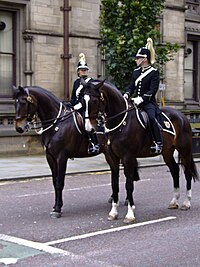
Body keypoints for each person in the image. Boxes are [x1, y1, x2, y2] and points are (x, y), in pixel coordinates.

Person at [124, 38, 163, 154]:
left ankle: (158, 142)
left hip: (148, 103)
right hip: (135, 102)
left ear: (144, 59)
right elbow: (132, 87)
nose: (136, 60)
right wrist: (126, 94)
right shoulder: (136, 72)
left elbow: (153, 90)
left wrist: (142, 98)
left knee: (151, 118)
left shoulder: (154, 72)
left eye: (138, 58)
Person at [70, 53, 100, 154]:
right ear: (78, 71)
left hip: (86, 107)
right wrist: (71, 105)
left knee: (85, 122)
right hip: (75, 107)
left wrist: (80, 105)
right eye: (82, 70)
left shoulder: (90, 82)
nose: (83, 71)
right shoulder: (76, 83)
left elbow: (89, 97)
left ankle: (94, 143)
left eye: (85, 70)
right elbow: (73, 97)